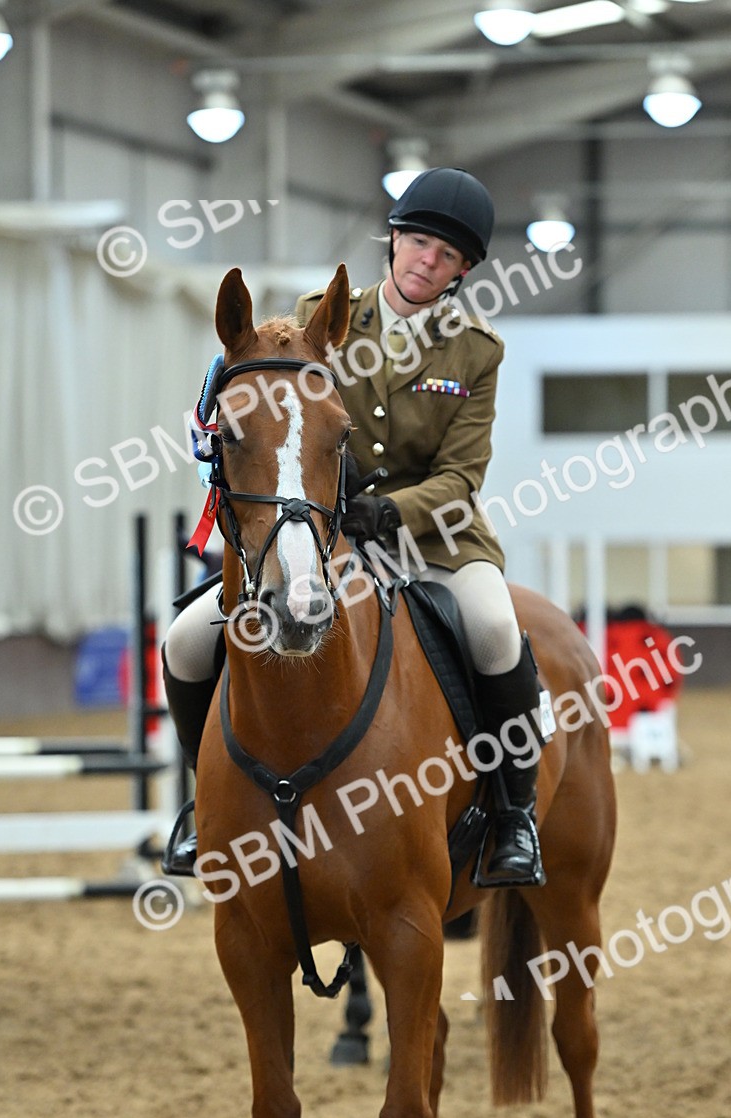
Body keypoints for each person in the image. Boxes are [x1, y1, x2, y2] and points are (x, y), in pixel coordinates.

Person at [162, 167, 546, 887]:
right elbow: (254, 376)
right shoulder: (323, 316)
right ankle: (199, 803)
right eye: (420, 241)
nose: (427, 261)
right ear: (395, 239)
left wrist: (391, 511)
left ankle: (513, 811)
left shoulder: (476, 352)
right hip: (317, 528)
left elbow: (462, 475)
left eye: (447, 255)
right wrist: (209, 403)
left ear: (463, 271)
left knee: (495, 628)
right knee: (186, 641)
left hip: (435, 535)